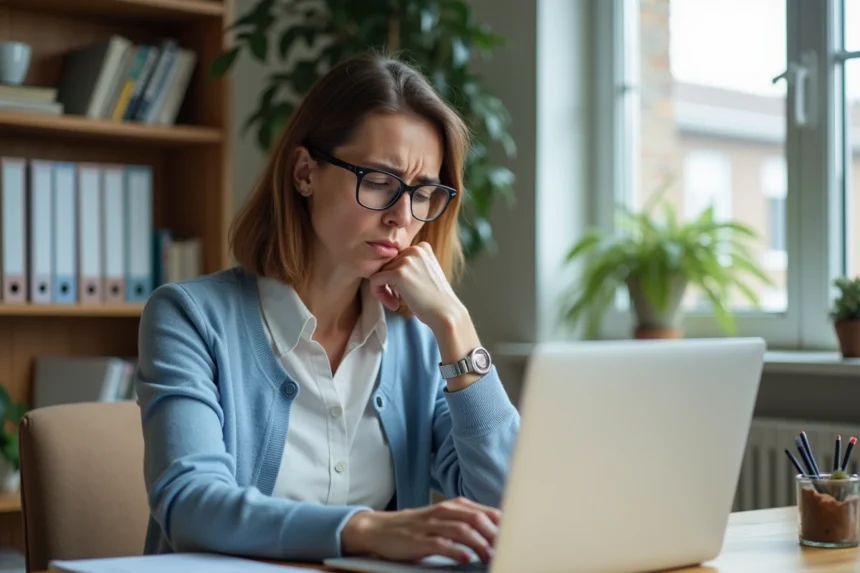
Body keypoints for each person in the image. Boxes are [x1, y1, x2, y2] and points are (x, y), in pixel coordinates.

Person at [134, 51, 520, 566]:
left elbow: (509, 502)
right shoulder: (190, 318)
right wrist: (365, 529)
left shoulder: (417, 338)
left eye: (423, 192)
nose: (403, 217)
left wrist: (456, 327)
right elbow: (191, 506)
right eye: (380, 182)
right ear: (304, 173)